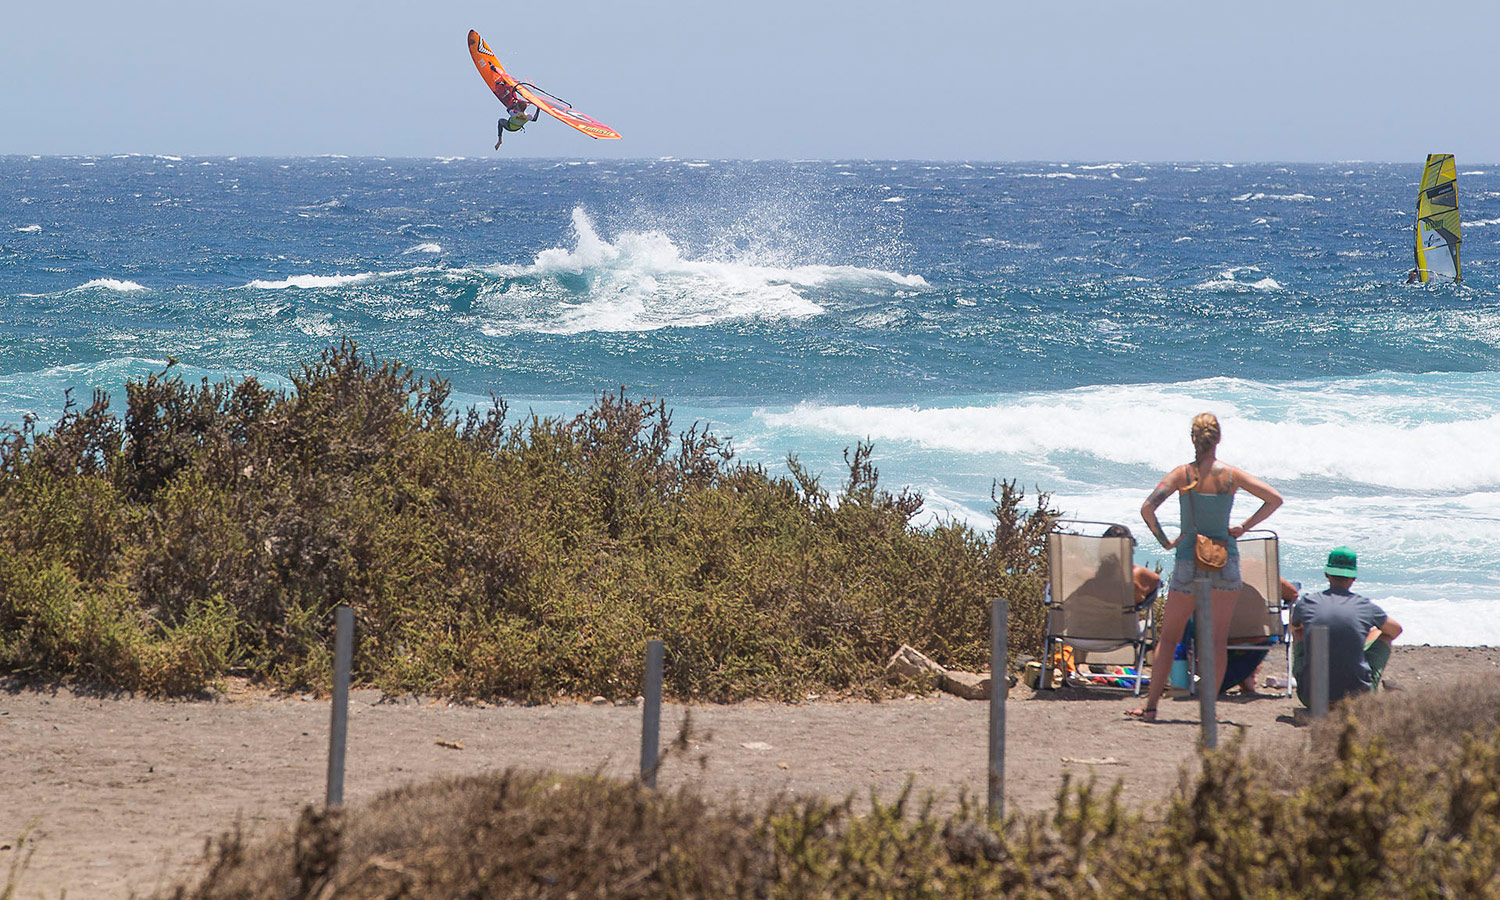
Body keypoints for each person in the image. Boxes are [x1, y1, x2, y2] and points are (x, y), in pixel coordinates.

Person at [1126, 412, 1283, 721]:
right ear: (1218, 439)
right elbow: (1274, 499)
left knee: (1169, 637)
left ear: (1193, 440)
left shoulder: (1182, 475)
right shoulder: (1230, 476)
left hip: (1188, 559)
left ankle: (1151, 707)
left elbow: (1147, 508)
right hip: (1225, 559)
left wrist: (1165, 542)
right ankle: (1208, 711)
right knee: (1217, 640)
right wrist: (1243, 527)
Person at [1291, 546, 1402, 707]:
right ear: (1354, 578)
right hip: (1357, 699)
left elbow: (1295, 628)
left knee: (1300, 631)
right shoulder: (1365, 606)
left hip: (1312, 698)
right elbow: (1396, 630)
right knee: (1383, 633)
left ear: (1326, 574)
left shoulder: (1307, 602)